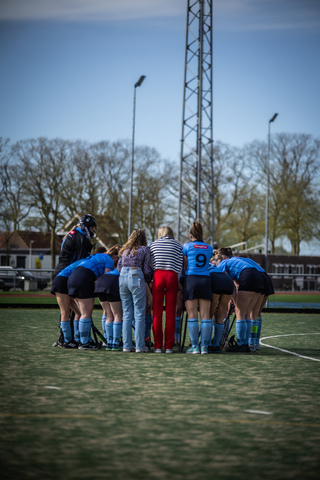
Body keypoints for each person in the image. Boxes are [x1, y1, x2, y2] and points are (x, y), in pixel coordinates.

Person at [211, 248, 265, 352]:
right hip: (258, 276)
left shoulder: (222, 264)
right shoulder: (232, 261)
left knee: (240, 312)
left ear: (218, 260)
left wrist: (233, 302)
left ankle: (241, 344)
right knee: (247, 313)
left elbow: (227, 283)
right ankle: (245, 343)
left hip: (248, 275)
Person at [67, 252, 115, 350]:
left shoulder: (95, 257)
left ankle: (84, 340)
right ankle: (84, 343)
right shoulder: (108, 259)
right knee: (86, 314)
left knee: (83, 313)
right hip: (84, 278)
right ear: (116, 256)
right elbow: (106, 277)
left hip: (72, 278)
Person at [117, 229, 153, 353]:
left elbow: (118, 267)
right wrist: (147, 279)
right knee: (139, 313)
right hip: (135, 276)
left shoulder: (124, 251)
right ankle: (140, 346)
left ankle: (126, 345)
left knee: (126, 313)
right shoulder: (144, 250)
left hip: (122, 277)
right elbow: (147, 270)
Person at [150, 226, 183, 353]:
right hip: (172, 276)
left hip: (158, 276)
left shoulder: (154, 244)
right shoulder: (177, 245)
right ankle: (169, 346)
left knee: (157, 314)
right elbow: (179, 265)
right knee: (171, 314)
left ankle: (158, 346)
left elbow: (151, 264)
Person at [183, 221, 213, 354]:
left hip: (191, 280)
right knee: (206, 316)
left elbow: (184, 266)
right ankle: (204, 347)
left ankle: (194, 346)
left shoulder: (187, 246)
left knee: (192, 315)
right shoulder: (209, 247)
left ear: (190, 235)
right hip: (206, 280)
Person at [94, 245, 123, 352]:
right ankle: (115, 343)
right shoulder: (125, 265)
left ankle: (109, 343)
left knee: (108, 314)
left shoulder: (112, 265)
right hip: (111, 282)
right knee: (118, 315)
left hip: (100, 282)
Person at [53, 214, 97, 278]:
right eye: (91, 227)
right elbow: (81, 262)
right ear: (85, 227)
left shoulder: (71, 234)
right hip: (67, 275)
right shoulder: (82, 239)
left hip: (59, 272)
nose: (93, 230)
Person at [208, 261, 234, 352]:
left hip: (215, 279)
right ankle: (216, 345)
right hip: (228, 281)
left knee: (208, 316)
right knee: (220, 314)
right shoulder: (215, 265)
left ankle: (207, 344)